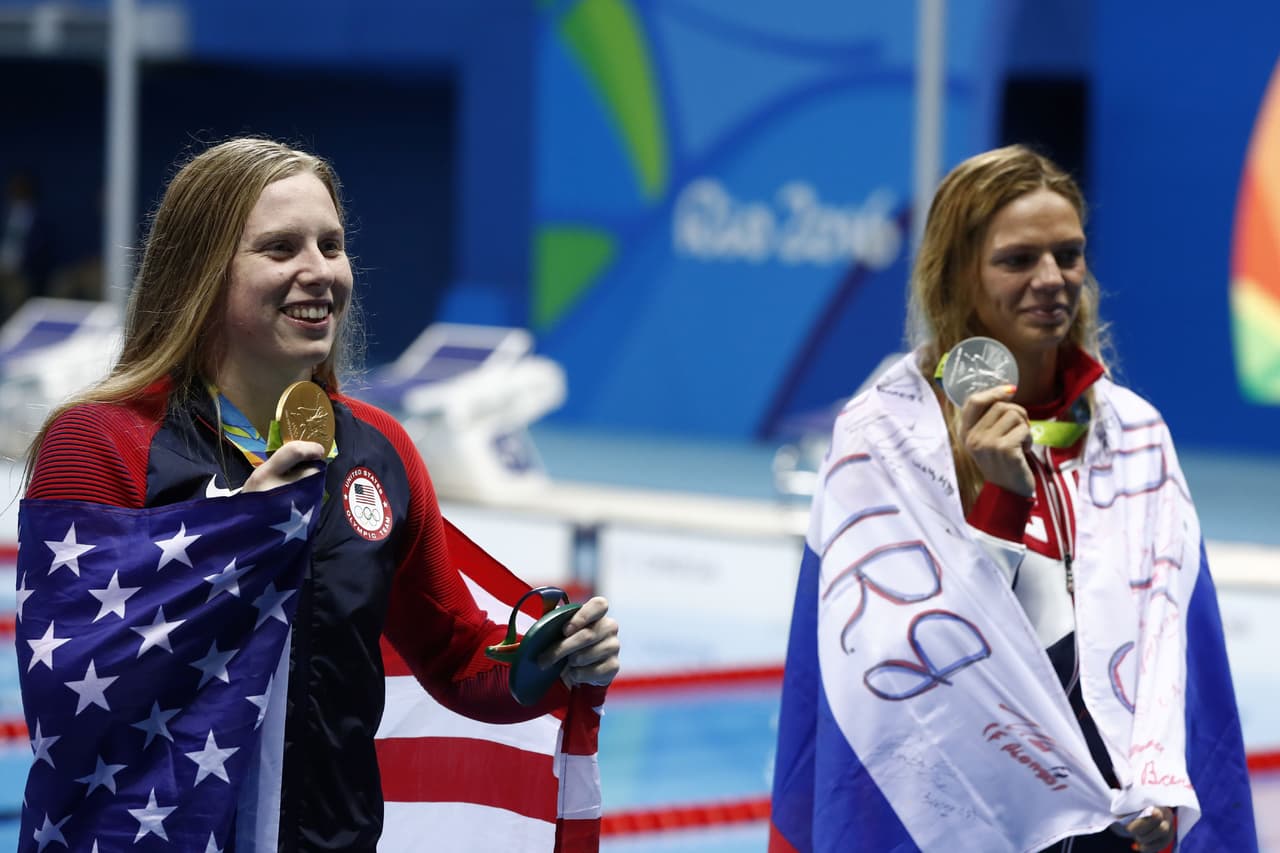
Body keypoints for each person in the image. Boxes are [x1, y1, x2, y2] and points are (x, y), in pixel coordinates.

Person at [17, 137, 620, 852]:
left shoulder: (377, 448)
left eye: (331, 246)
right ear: (200, 272)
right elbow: (70, 692)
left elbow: (458, 658)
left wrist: (545, 660)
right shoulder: (102, 442)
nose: (319, 271)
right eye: (280, 248)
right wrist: (238, 536)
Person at [769, 145, 1255, 853]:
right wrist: (998, 502)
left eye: (1069, 254)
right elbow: (897, 664)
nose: (1052, 279)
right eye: (1018, 259)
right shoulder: (885, 439)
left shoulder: (1134, 434)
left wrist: (1160, 776)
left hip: (1118, 813)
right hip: (966, 814)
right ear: (959, 275)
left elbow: (1172, 639)